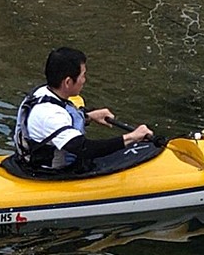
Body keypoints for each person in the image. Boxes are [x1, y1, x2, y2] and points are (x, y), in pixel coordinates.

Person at [13, 47, 153, 173]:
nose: (85, 80)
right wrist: (132, 137)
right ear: (68, 82)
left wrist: (89, 117)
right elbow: (84, 149)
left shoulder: (42, 92)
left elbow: (61, 123)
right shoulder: (50, 114)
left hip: (32, 160)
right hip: (49, 172)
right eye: (82, 75)